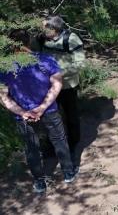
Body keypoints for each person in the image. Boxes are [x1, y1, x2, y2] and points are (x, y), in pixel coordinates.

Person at [0, 29, 79, 194]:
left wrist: (22, 112)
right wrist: (42, 107)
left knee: (31, 148)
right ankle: (68, 172)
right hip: (49, 109)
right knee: (59, 139)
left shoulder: (5, 68)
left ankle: (39, 182)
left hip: (22, 116)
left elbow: (4, 97)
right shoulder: (46, 60)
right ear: (29, 41)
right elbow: (57, 84)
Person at [32, 15, 86, 156]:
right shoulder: (41, 38)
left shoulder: (71, 39)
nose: (41, 30)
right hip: (47, 85)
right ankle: (52, 146)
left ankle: (74, 144)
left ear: (54, 28)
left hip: (68, 85)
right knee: (50, 116)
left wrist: (60, 74)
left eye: (44, 27)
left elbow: (80, 63)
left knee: (70, 115)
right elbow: (35, 54)